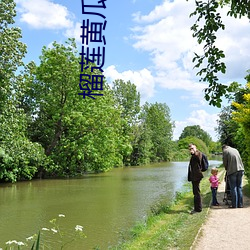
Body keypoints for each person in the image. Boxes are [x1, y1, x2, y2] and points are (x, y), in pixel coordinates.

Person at [188, 143, 204, 214]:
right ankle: (197, 208)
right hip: (195, 176)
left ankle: (198, 209)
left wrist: (194, 152)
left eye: (192, 148)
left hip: (196, 176)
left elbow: (198, 158)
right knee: (196, 192)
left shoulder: (198, 154)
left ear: (195, 148)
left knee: (196, 192)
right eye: (190, 149)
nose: (191, 150)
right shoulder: (194, 155)